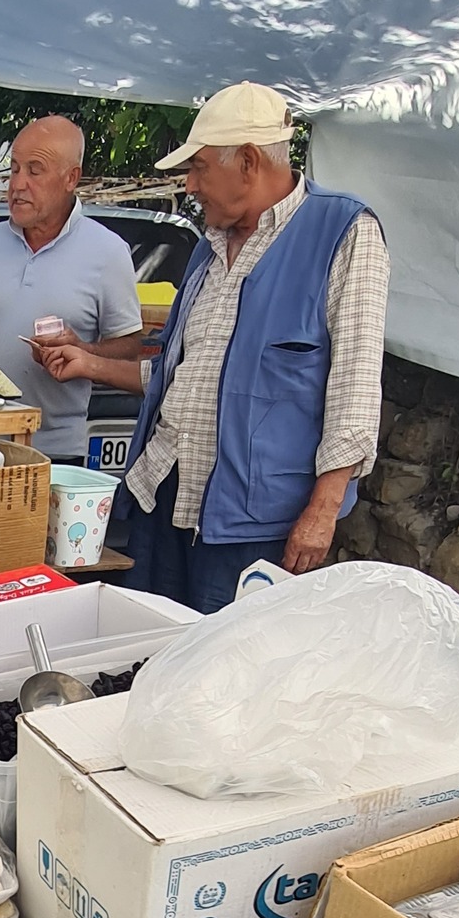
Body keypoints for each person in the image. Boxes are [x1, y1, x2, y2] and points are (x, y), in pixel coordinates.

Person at [38, 83, 389, 612]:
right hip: (164, 491)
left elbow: (356, 385)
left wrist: (324, 507)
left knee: (224, 671)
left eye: (200, 167)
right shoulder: (208, 246)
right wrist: (89, 361)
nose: (191, 184)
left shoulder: (342, 232)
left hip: (255, 519)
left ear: (248, 161)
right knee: (146, 650)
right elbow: (180, 374)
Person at [0, 116, 142, 462]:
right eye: (14, 169)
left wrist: (82, 351)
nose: (18, 184)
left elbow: (131, 348)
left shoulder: (108, 252)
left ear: (71, 179)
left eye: (35, 171)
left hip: (57, 453)